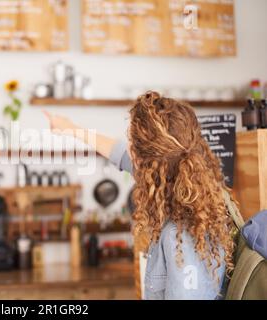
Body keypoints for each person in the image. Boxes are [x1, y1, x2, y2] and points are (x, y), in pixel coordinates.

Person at [43, 91, 236, 299]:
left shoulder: (181, 237)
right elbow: (117, 152)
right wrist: (71, 129)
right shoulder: (175, 178)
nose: (127, 147)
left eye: (131, 141)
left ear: (145, 161)